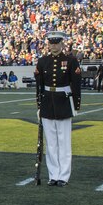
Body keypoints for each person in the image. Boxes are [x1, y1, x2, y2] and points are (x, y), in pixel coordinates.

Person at [33, 31, 81, 186]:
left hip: (64, 102)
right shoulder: (43, 61)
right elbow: (39, 86)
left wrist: (75, 105)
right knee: (51, 143)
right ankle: (53, 175)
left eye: (56, 43)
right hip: (47, 102)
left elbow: (76, 84)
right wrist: (39, 105)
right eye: (51, 43)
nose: (53, 46)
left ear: (62, 43)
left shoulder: (71, 60)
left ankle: (63, 176)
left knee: (64, 141)